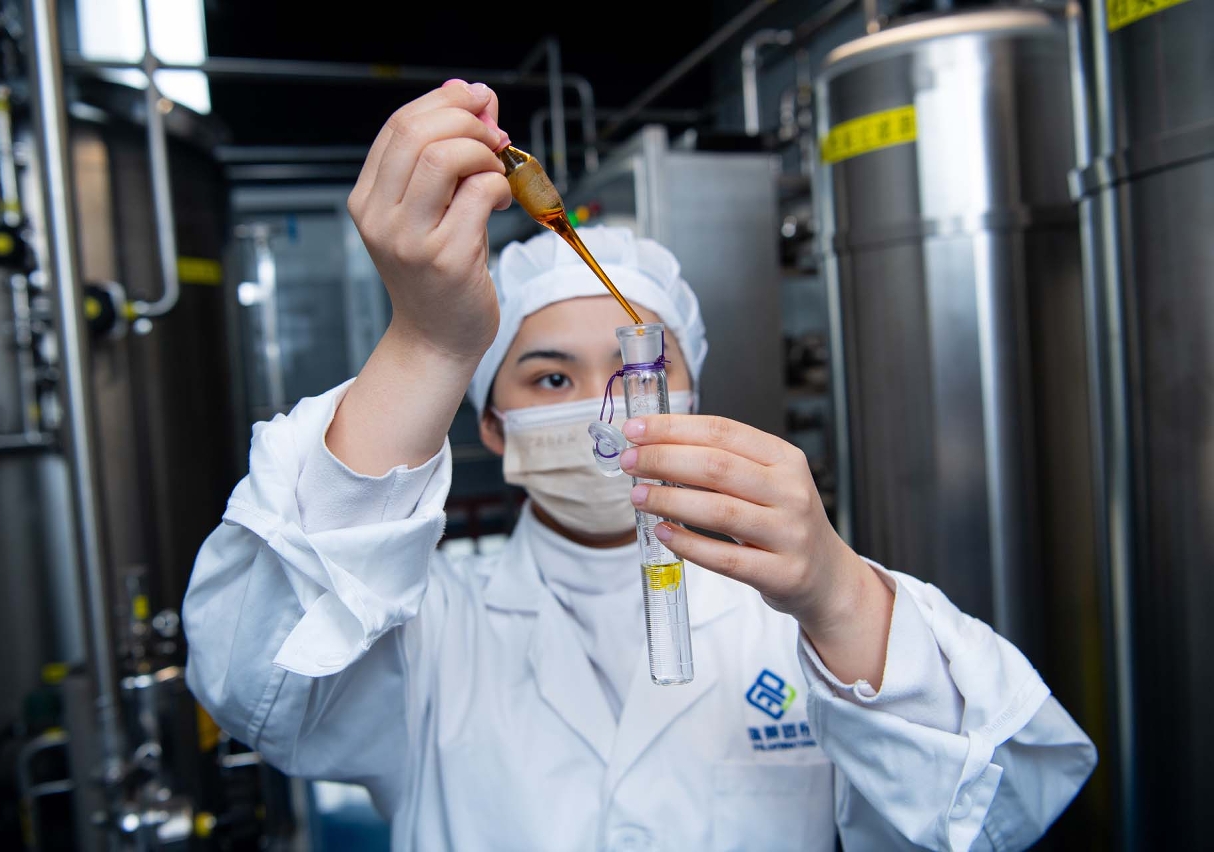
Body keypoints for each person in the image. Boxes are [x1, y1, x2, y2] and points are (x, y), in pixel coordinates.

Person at [182, 81, 1096, 851]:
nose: (608, 412)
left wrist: (840, 595)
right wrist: (426, 342)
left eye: (639, 372)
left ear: (690, 398)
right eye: (551, 378)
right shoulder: (427, 633)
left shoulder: (796, 618)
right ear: (492, 426)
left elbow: (1004, 812)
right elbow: (255, 686)